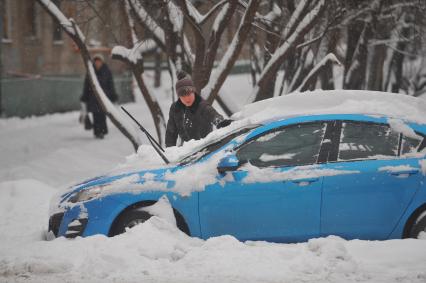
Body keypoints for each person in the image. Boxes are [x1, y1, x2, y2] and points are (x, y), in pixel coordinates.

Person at [165, 71, 232, 147]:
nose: (187, 99)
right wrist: (170, 151)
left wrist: (220, 122)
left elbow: (214, 115)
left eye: (189, 94)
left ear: (194, 92)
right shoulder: (175, 109)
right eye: (183, 96)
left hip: (206, 148)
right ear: (179, 97)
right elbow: (171, 133)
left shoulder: (202, 106)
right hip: (186, 151)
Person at [80, 54, 118, 139]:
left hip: (104, 97)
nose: (97, 63)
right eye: (96, 61)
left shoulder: (107, 71)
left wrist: (113, 95)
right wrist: (84, 96)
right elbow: (86, 85)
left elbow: (110, 84)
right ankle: (97, 132)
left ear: (102, 61)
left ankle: (102, 132)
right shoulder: (90, 71)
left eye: (99, 61)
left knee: (102, 115)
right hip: (93, 98)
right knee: (95, 115)